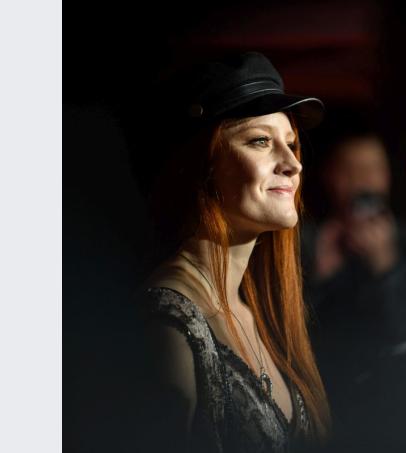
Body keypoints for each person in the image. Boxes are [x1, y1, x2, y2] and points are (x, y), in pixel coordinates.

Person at [127, 51, 330, 453]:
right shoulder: (171, 320)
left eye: (291, 144)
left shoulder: (263, 306)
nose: (293, 164)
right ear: (203, 164)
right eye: (260, 141)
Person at [300, 127, 406, 445]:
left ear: (388, 175)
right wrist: (321, 277)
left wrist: (386, 268)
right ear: (330, 176)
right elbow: (284, 335)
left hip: (395, 416)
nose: (363, 181)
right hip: (322, 410)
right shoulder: (305, 244)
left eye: (373, 169)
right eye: (350, 170)